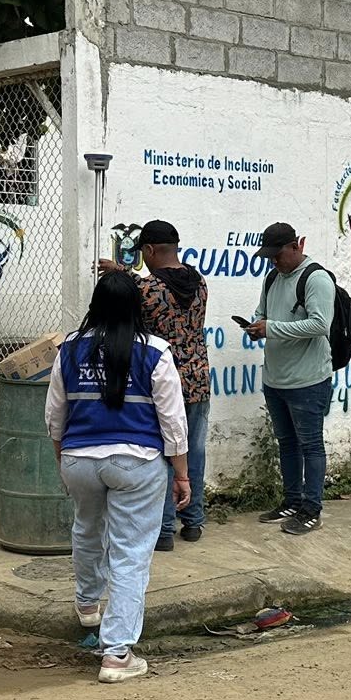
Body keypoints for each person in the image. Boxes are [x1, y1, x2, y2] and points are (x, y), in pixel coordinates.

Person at [45, 271, 190, 683]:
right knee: (130, 553)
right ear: (136, 307)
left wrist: (63, 462)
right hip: (136, 463)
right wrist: (182, 475)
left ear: (95, 305)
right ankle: (117, 654)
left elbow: (55, 416)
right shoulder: (155, 352)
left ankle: (87, 606)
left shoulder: (69, 349)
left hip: (79, 459)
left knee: (87, 529)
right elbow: (173, 423)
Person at [101, 218, 209, 550]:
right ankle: (193, 521)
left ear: (149, 249)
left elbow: (145, 292)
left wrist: (120, 274)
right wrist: (125, 272)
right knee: (193, 451)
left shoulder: (147, 290)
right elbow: (163, 287)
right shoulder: (199, 282)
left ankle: (163, 530)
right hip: (198, 377)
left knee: (164, 454)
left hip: (162, 381)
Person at [244, 221, 334, 536]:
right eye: (269, 256)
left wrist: (271, 328)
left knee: (311, 446)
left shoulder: (316, 278)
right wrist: (256, 326)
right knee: (287, 443)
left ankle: (312, 509)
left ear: (296, 246)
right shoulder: (272, 278)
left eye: (278, 255)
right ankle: (292, 501)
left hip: (308, 381)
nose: (274, 262)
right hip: (276, 379)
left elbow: (320, 324)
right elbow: (262, 312)